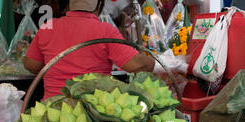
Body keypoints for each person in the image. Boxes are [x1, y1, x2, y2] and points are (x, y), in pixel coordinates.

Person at [23, 0, 155, 100]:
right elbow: (138, 64)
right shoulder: (105, 30)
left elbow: (31, 65)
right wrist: (156, 62)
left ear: (68, 5)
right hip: (94, 112)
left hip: (52, 110)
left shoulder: (48, 27)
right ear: (99, 6)